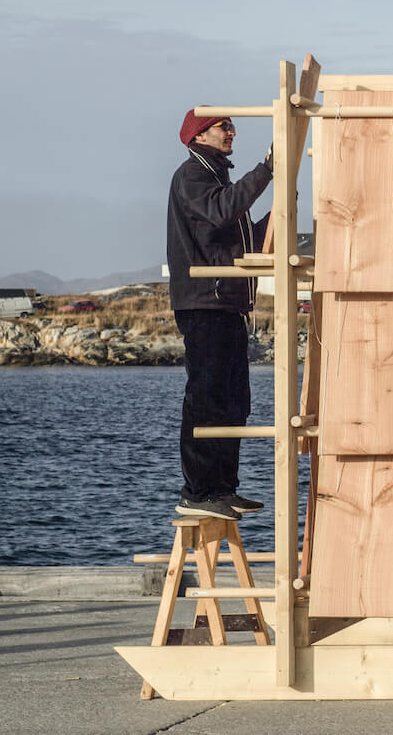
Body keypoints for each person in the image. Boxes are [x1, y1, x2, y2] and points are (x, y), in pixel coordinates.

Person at [167, 110, 273, 520]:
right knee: (207, 398)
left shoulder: (218, 180)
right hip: (203, 304)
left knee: (234, 402)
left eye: (231, 125)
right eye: (223, 127)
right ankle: (198, 491)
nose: (232, 131)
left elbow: (242, 236)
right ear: (200, 135)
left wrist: (284, 217)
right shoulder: (193, 175)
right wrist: (266, 172)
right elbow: (222, 211)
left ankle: (222, 489)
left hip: (227, 305)